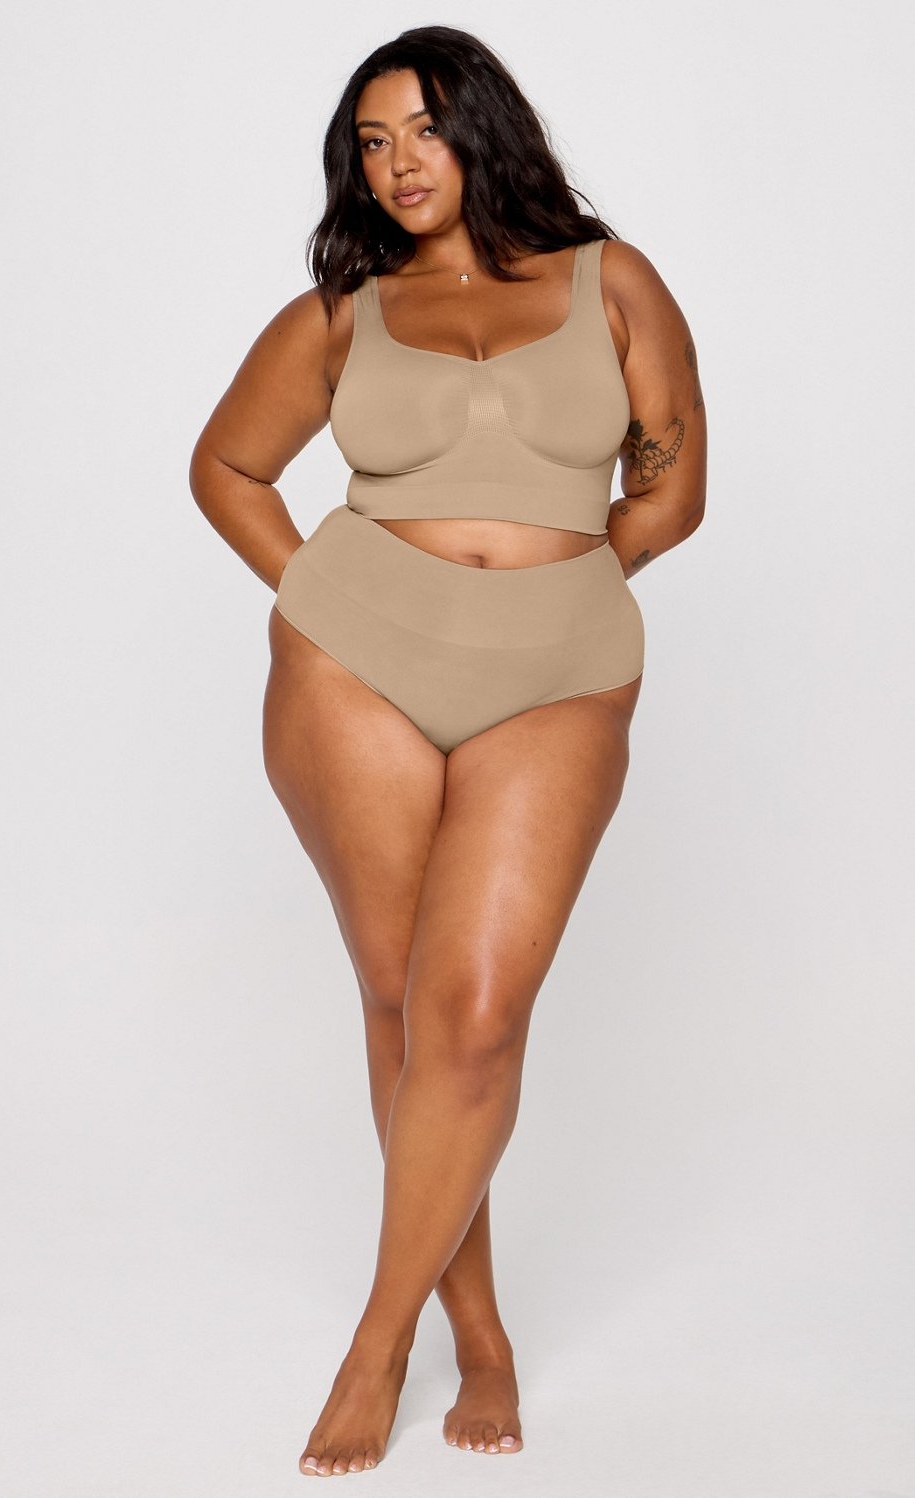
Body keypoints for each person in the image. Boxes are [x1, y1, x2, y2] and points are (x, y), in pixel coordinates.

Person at [189, 23, 707, 1478]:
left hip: (560, 667)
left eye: (421, 128)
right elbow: (225, 466)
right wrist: (321, 592)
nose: (398, 162)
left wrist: (573, 577)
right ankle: (459, 1333)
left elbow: (671, 480)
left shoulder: (611, 281)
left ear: (484, 127)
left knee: (474, 1012)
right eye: (371, 142)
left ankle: (380, 1332)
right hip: (358, 663)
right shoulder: (343, 312)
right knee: (400, 996)